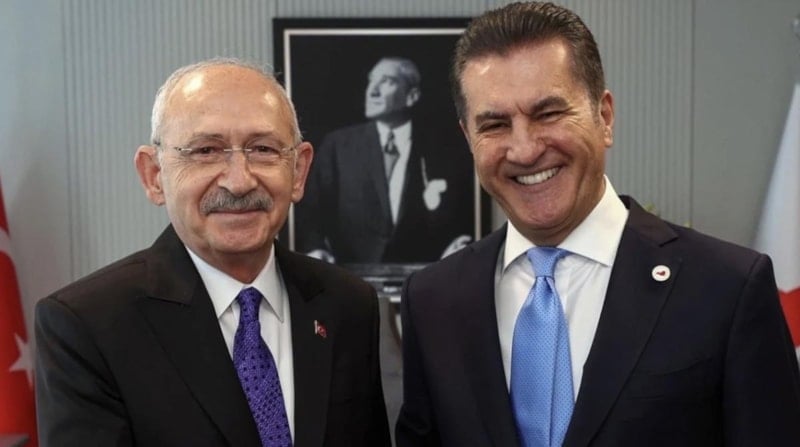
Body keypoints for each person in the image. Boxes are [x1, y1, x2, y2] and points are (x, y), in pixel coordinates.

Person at [396, 2, 800, 446]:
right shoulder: (433, 302)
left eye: (548, 114)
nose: (525, 150)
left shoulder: (726, 289)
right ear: (468, 139)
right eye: (495, 124)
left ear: (604, 117)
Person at [34, 58, 391, 447]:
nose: (239, 181)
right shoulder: (88, 326)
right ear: (154, 176)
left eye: (263, 149)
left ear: (299, 171)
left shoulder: (348, 304)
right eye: (205, 150)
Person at [295, 56, 474, 264]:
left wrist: (455, 250)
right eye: (371, 81)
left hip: (427, 276)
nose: (372, 91)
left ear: (411, 96)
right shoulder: (338, 146)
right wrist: (316, 250)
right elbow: (311, 214)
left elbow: (461, 218)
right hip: (349, 277)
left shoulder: (442, 149)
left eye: (387, 81)